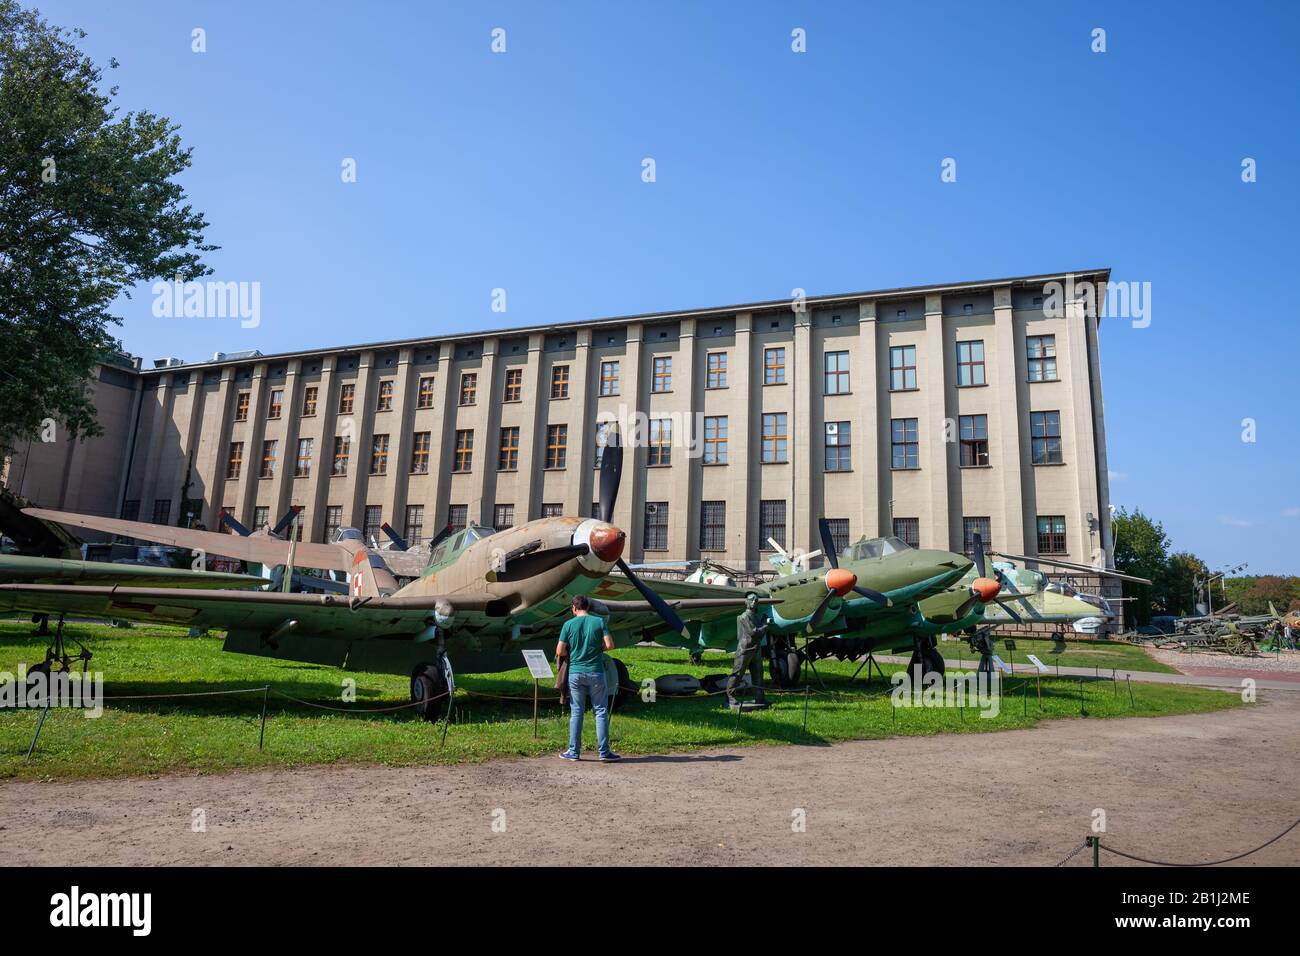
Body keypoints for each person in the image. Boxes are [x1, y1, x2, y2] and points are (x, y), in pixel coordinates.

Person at [556, 594, 620, 762]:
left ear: (574, 608)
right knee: (600, 711)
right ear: (588, 607)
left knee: (577, 711)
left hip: (576, 673)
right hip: (596, 672)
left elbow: (559, 651)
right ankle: (604, 752)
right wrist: (598, 651)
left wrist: (572, 653)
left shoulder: (568, 624)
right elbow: (610, 645)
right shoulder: (599, 622)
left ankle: (573, 751)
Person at [726, 592, 768, 708]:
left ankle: (760, 697)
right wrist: (765, 627)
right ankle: (730, 696)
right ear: (746, 602)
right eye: (752, 600)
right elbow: (753, 632)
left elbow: (758, 631)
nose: (754, 602)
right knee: (738, 673)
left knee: (758, 674)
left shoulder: (755, 616)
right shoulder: (745, 616)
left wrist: (763, 622)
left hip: (755, 648)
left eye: (756, 600)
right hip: (745, 649)